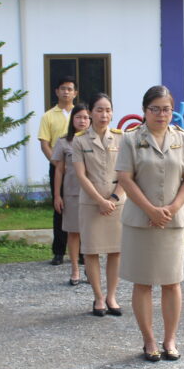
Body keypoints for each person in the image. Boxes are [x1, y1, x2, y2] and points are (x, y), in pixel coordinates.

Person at [116, 86, 184, 362]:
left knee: (172, 282)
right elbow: (125, 178)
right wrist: (150, 210)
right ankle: (149, 339)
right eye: (155, 109)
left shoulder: (182, 139)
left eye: (166, 109)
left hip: (172, 222)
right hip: (141, 221)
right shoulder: (131, 139)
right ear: (145, 110)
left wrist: (171, 209)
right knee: (143, 282)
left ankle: (170, 339)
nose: (161, 114)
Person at [71, 93, 125, 316]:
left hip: (117, 203)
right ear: (91, 113)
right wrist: (100, 201)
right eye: (99, 110)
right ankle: (98, 298)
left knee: (116, 251)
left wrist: (112, 199)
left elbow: (127, 174)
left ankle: (112, 296)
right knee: (91, 251)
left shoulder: (121, 138)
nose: (104, 115)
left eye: (108, 110)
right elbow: (81, 175)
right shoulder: (80, 140)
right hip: (91, 203)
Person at [38, 76, 78, 265]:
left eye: (70, 89)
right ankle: (59, 252)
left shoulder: (81, 114)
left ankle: (83, 253)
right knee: (59, 207)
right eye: (63, 88)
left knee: (82, 207)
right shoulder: (48, 116)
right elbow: (44, 144)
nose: (66, 92)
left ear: (75, 93)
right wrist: (58, 164)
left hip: (81, 168)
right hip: (58, 168)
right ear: (57, 91)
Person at [52, 103, 91, 287]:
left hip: (93, 194)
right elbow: (59, 170)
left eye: (86, 117)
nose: (82, 121)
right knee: (73, 233)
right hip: (72, 194)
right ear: (72, 120)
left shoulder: (94, 140)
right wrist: (57, 196)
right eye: (79, 117)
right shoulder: (63, 142)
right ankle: (75, 269)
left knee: (91, 234)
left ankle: (90, 269)